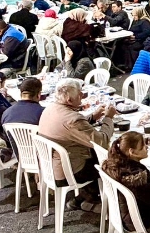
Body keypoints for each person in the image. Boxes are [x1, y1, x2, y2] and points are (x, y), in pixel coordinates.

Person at [37, 78, 114, 211]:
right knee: (112, 163)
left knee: (96, 156)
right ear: (69, 99)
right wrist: (108, 118)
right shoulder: (73, 120)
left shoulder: (50, 108)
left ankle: (84, 197)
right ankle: (111, 204)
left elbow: (71, 129)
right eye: (80, 94)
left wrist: (92, 117)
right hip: (68, 172)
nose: (82, 96)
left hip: (49, 166)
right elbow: (102, 141)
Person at [104, 132, 150, 233]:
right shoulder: (136, 178)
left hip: (123, 214)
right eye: (143, 146)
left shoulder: (115, 165)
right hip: (143, 221)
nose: (146, 147)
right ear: (132, 152)